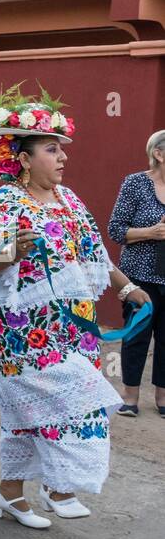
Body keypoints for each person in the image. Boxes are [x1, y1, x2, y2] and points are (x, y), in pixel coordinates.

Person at [0, 91, 148, 523]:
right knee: (80, 401)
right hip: (22, 331)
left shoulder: (70, 201)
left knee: (30, 416)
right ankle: (59, 483)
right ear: (25, 159)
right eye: (51, 150)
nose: (62, 158)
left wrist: (126, 289)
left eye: (61, 149)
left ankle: (12, 494)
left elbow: (95, 255)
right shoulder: (1, 204)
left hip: (75, 327)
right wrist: (8, 253)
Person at [107, 129, 165, 417]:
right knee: (137, 335)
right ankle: (129, 397)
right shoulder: (135, 184)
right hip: (139, 277)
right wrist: (151, 232)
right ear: (159, 154)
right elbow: (115, 229)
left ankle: (163, 399)